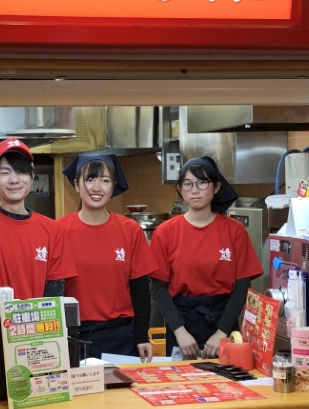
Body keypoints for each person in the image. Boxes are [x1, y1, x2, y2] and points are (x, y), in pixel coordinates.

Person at [149, 156, 263, 361]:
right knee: (179, 388)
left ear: (216, 187)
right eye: (188, 184)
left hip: (223, 323)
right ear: (179, 189)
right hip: (180, 326)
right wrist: (179, 331)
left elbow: (242, 285)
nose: (195, 190)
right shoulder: (165, 232)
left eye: (202, 183)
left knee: (227, 387)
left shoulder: (234, 230)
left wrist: (222, 333)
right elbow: (158, 288)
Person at [59, 153, 156, 361]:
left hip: (121, 338)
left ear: (113, 186)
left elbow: (140, 289)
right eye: (90, 179)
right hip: (72, 337)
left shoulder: (130, 230)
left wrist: (142, 335)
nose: (96, 187)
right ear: (76, 185)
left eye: (104, 180)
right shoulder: (58, 231)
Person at [0, 138, 76, 299]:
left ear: (32, 177)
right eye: (5, 173)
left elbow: (55, 294)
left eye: (21, 172)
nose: (14, 179)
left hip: (40, 322)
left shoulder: (53, 230)